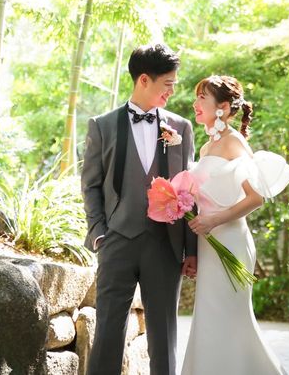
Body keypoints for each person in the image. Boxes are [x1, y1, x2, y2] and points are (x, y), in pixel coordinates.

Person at [81, 44, 197, 375]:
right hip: (116, 241)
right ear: (144, 80)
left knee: (164, 337)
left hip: (165, 245)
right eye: (167, 84)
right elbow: (91, 184)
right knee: (107, 333)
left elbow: (189, 191)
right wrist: (99, 233)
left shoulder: (181, 128)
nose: (172, 91)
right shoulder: (102, 125)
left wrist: (191, 249)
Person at [182, 74, 289, 375]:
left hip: (230, 240)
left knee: (231, 317)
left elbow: (256, 198)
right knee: (209, 318)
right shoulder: (207, 147)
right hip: (208, 244)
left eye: (202, 98)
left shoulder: (234, 142)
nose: (195, 103)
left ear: (222, 107)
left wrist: (214, 219)